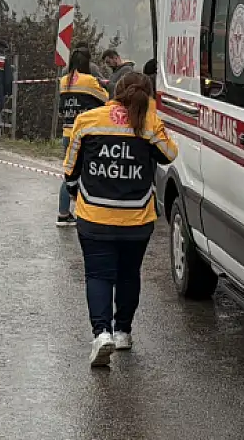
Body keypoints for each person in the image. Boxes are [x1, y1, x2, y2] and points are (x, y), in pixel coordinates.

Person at [64, 72, 177, 367]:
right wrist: (151, 118)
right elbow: (169, 155)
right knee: (129, 274)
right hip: (137, 219)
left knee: (99, 275)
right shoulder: (148, 124)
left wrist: (74, 192)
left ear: (115, 91)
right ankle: (123, 331)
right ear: (147, 96)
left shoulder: (88, 120)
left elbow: (70, 169)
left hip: (94, 215)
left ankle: (102, 334)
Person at [55, 47, 108, 227]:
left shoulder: (64, 81)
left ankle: (63, 213)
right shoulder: (90, 81)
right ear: (87, 63)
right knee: (88, 173)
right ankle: (87, 214)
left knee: (69, 173)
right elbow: (106, 99)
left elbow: (62, 108)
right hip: (86, 134)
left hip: (67, 133)